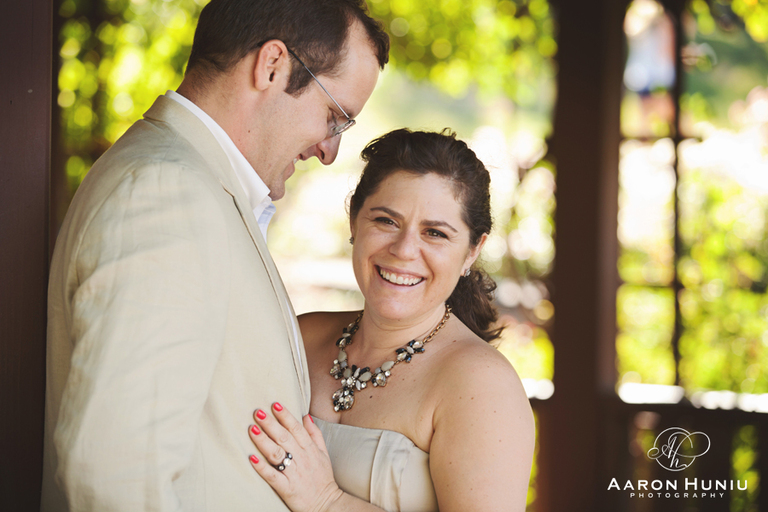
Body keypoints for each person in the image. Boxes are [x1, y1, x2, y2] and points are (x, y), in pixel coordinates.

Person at [41, 1, 389, 510]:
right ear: (272, 66)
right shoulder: (167, 192)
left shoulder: (195, 185)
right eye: (335, 117)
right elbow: (114, 472)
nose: (329, 150)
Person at [246, 129, 535, 512]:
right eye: (386, 221)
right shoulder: (300, 334)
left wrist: (327, 501)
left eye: (435, 233)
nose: (403, 250)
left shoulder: (481, 384)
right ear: (354, 222)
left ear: (472, 251)